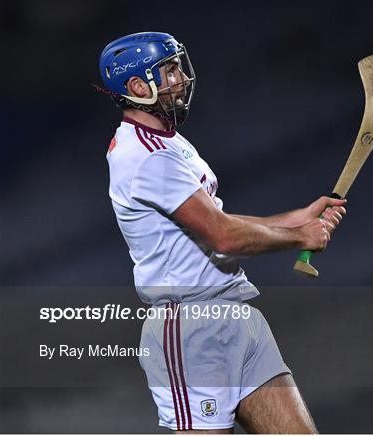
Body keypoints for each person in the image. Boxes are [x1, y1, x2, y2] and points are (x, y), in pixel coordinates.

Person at [97, 31, 346, 433]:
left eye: (178, 66)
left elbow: (220, 220)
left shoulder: (169, 143)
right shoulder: (146, 157)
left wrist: (298, 218)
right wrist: (301, 236)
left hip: (235, 315)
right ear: (137, 86)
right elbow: (224, 237)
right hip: (192, 331)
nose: (181, 77)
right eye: (169, 70)